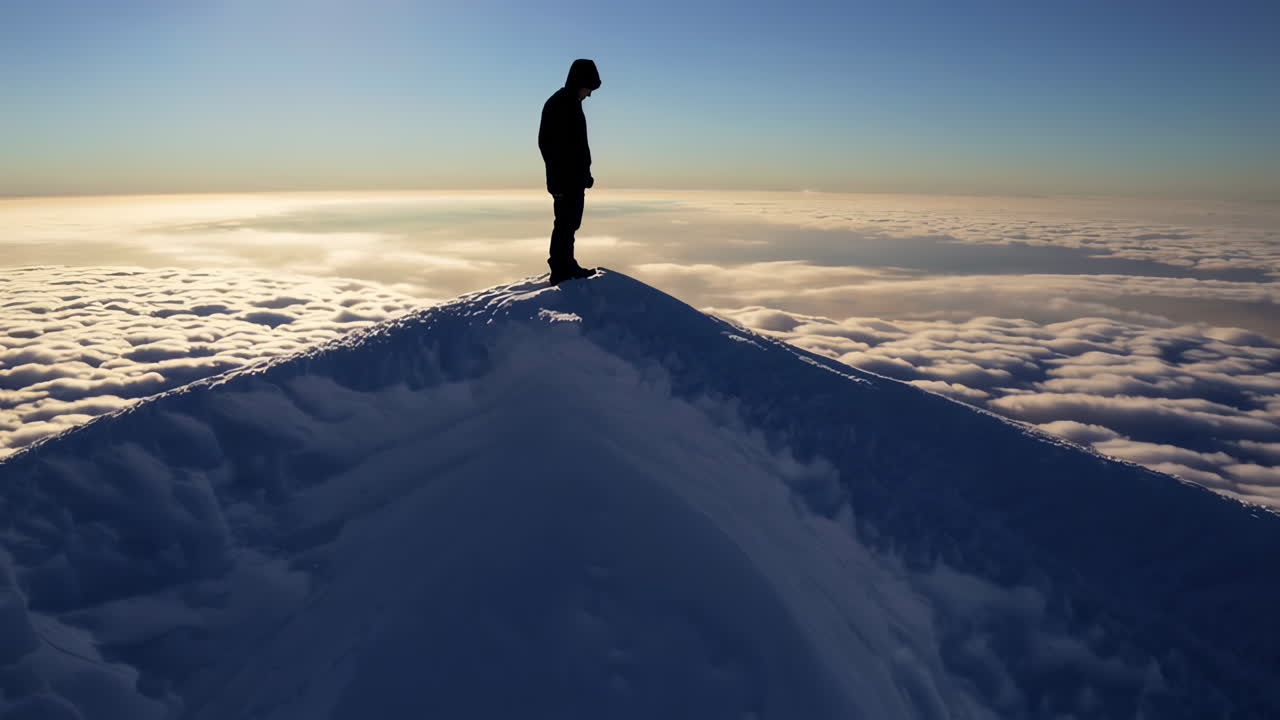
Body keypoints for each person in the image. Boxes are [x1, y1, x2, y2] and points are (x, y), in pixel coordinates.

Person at [539, 58, 601, 285]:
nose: (590, 94)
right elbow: (550, 145)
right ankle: (560, 269)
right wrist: (561, 178)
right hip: (565, 180)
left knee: (569, 222)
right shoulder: (561, 104)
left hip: (571, 178)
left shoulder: (570, 103)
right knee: (565, 222)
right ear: (580, 82)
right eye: (589, 88)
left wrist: (584, 172)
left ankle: (566, 264)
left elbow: (575, 145)